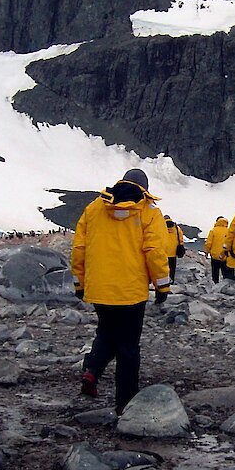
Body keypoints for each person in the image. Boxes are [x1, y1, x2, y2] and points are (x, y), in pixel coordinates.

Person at [72, 168, 171, 413]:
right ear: (144, 188)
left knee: (106, 332)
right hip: (131, 290)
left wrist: (80, 282)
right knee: (128, 345)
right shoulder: (148, 212)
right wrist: (162, 285)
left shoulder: (94, 208)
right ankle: (124, 402)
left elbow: (79, 248)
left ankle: (92, 370)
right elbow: (155, 251)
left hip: (99, 287)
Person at [204, 216, 230, 284]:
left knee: (215, 271)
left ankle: (215, 284)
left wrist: (207, 252)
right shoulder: (229, 231)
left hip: (215, 255)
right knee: (225, 272)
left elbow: (209, 243)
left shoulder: (213, 230)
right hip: (225, 255)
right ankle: (226, 286)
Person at [164, 214, 185, 284]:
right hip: (173, 251)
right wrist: (181, 245)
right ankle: (171, 280)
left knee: (163, 267)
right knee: (172, 267)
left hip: (164, 251)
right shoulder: (176, 227)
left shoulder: (161, 226)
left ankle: (164, 281)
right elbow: (180, 237)